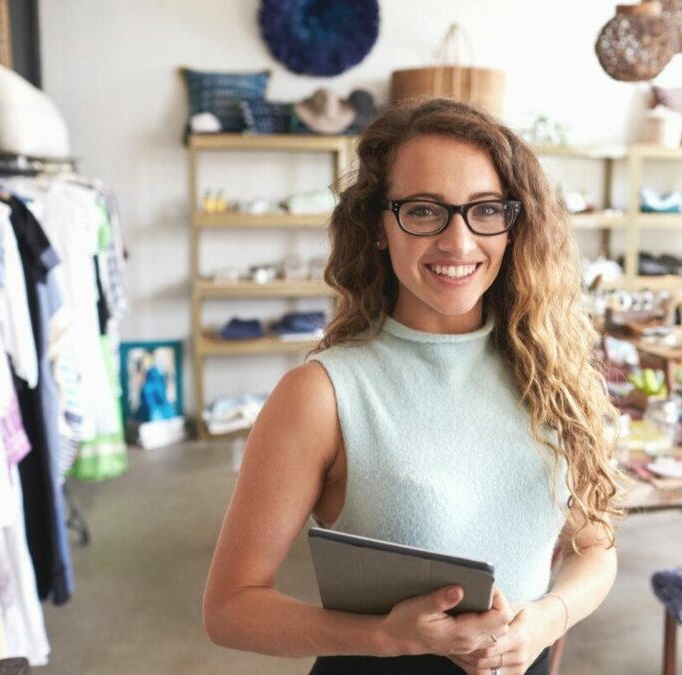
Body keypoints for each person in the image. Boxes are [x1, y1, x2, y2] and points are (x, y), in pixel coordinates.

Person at [203, 98, 624, 674]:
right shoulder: (322, 395)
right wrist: (385, 637)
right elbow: (230, 609)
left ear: (513, 223)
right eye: (424, 211)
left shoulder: (551, 372)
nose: (458, 242)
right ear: (378, 224)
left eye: (484, 210)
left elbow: (594, 550)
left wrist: (548, 618)